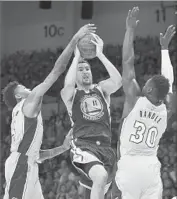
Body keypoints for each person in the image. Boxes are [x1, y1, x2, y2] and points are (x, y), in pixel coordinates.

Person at [2, 24, 96, 199]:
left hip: (27, 164)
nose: (28, 87)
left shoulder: (21, 113)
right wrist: (75, 38)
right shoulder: (28, 102)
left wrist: (62, 147)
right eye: (22, 87)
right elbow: (57, 70)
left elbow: (38, 156)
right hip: (21, 166)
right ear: (17, 95)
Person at [115, 7, 175, 199]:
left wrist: (129, 30)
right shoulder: (166, 110)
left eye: (147, 81)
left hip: (130, 165)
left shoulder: (134, 100)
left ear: (148, 89)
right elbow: (169, 83)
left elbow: (127, 62)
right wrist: (164, 50)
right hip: (151, 168)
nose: (145, 81)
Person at [60, 33, 122, 199]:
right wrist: (77, 58)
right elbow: (67, 85)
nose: (85, 72)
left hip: (106, 149)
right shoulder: (71, 94)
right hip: (84, 145)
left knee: (106, 191)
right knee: (100, 176)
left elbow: (118, 81)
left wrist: (100, 54)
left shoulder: (101, 89)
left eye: (87, 68)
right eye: (81, 70)